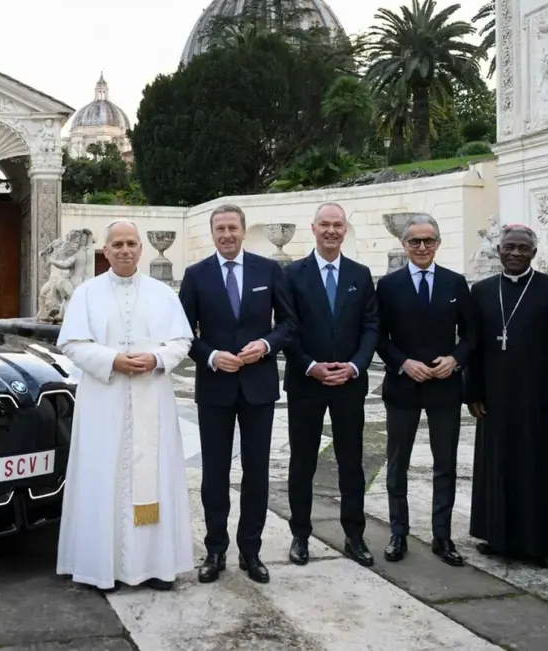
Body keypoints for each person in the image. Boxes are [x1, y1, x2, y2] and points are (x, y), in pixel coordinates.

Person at [55, 219, 195, 592]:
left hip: (152, 395)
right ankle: (102, 568)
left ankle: (155, 566)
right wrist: (111, 360)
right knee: (104, 475)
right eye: (117, 244)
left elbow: (182, 339)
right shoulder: (86, 293)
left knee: (154, 476)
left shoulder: (163, 294)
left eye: (131, 243)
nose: (124, 250)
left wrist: (156, 359)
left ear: (140, 249)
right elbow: (70, 343)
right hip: (105, 400)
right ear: (106, 250)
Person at [178, 204, 294, 585]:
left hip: (258, 385)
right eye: (220, 229)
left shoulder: (268, 270)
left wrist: (265, 344)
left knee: (256, 471)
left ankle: (251, 549)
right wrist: (210, 356)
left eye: (232, 228)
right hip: (215, 387)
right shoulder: (196, 275)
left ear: (244, 231)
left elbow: (289, 325)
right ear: (212, 234)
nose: (226, 235)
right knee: (215, 473)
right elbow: (182, 333)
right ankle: (215, 550)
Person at [465, 224, 548, 569]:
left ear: (534, 252)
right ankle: (497, 536)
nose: (515, 253)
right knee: (497, 465)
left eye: (522, 248)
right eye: (509, 247)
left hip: (540, 398)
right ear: (498, 251)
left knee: (541, 468)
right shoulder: (482, 291)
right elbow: (474, 346)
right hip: (496, 397)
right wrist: (473, 391)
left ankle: (543, 543)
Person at [282, 202, 380, 567]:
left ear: (345, 229)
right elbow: (287, 327)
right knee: (302, 462)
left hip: (349, 384)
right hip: (306, 382)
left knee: (351, 461)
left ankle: (354, 535)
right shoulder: (292, 274)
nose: (331, 231)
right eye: (325, 224)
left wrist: (355, 366)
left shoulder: (360, 273)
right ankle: (300, 535)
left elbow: (371, 325)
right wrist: (310, 366)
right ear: (313, 228)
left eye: (338, 225)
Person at [374, 214, 475, 566]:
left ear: (438, 243)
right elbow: (378, 337)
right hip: (403, 386)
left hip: (444, 388)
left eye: (428, 240)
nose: (421, 247)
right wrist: (403, 363)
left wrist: (455, 359)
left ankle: (442, 536)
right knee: (397, 463)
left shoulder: (455, 283)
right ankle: (398, 532)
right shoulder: (387, 286)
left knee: (445, 464)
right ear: (404, 245)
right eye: (414, 241)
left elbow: (471, 334)